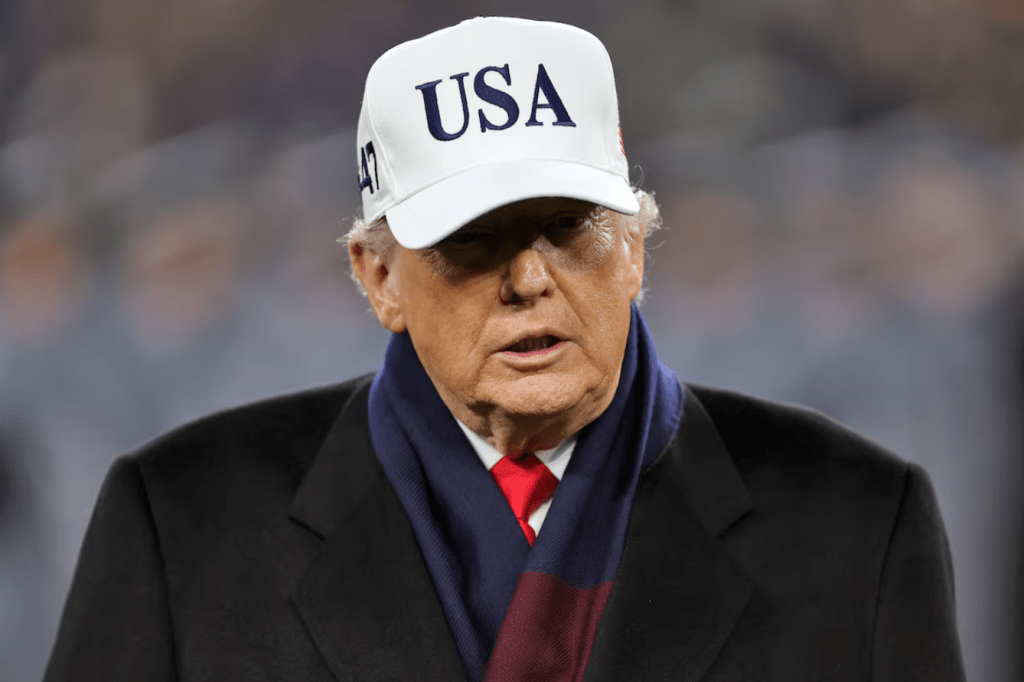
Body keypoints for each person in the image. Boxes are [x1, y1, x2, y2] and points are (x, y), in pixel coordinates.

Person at [43, 17, 965, 682]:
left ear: (637, 247)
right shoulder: (180, 524)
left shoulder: (858, 522)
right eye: (470, 241)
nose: (529, 279)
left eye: (569, 228)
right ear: (377, 277)